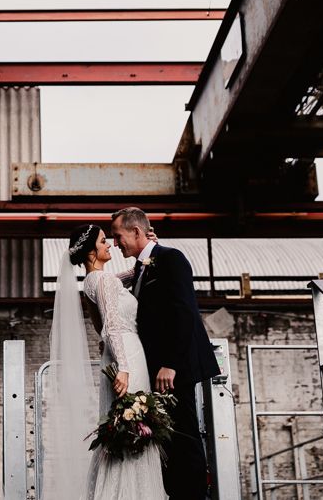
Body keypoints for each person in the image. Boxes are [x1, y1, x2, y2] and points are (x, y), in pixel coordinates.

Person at [45, 223, 166, 500]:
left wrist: (150, 251)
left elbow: (135, 272)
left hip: (115, 354)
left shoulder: (93, 282)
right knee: (134, 425)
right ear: (91, 253)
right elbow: (110, 327)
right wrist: (123, 368)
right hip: (126, 354)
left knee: (128, 426)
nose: (109, 244)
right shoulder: (103, 281)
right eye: (103, 242)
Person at [110, 207, 220, 500]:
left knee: (184, 435)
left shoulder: (172, 258)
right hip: (158, 367)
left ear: (136, 232)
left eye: (118, 236)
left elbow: (184, 311)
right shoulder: (143, 266)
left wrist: (170, 364)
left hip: (175, 367)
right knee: (167, 436)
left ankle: (195, 495)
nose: (116, 243)